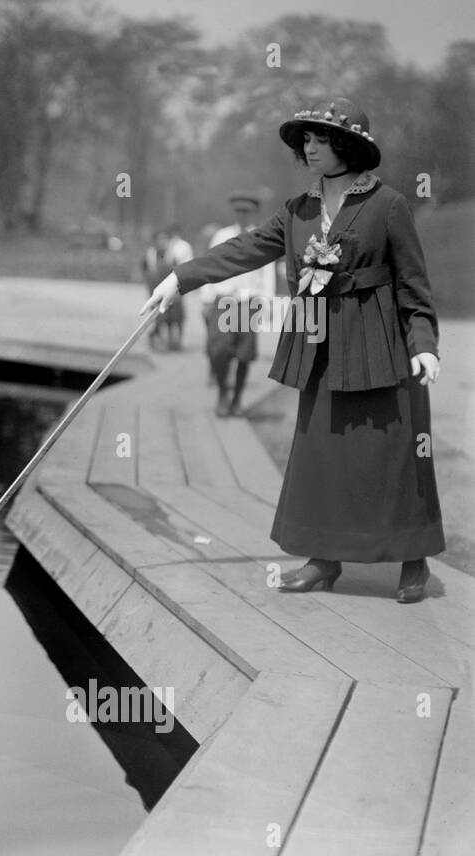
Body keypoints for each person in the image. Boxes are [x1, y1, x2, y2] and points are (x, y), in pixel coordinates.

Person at [142, 97, 443, 603]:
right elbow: (243, 250)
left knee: (391, 451)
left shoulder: (388, 205)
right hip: (320, 345)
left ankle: (412, 559)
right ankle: (323, 560)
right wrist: (179, 278)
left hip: (382, 346)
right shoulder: (297, 210)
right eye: (306, 139)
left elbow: (413, 284)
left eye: (320, 139)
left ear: (346, 146)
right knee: (321, 453)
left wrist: (425, 345)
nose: (310, 147)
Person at [199, 191, 279, 416]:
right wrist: (206, 298)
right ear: (234, 212)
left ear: (254, 212)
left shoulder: (261, 237)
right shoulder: (222, 236)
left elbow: (267, 274)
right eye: (239, 211)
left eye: (247, 211)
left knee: (244, 354)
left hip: (249, 302)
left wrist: (267, 303)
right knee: (219, 351)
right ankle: (223, 392)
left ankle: (236, 399)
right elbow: (209, 266)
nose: (242, 215)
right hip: (224, 300)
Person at [140, 230, 180, 351]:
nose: (163, 242)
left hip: (170, 293)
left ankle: (172, 343)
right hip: (155, 293)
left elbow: (178, 273)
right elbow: (143, 269)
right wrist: (148, 279)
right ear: (155, 241)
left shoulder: (172, 256)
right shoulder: (149, 255)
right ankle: (155, 340)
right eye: (160, 239)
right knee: (158, 319)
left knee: (172, 319)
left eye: (165, 239)